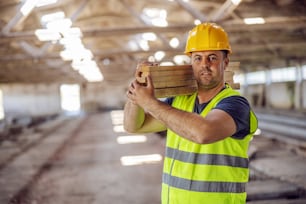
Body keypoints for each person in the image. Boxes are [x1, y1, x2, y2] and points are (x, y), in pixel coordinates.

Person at [123, 22, 258, 204]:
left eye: (212, 58)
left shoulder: (235, 104)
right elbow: (133, 126)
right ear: (191, 62)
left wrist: (150, 102)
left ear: (225, 63)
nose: (204, 65)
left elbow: (204, 132)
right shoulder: (179, 101)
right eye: (198, 58)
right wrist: (137, 90)